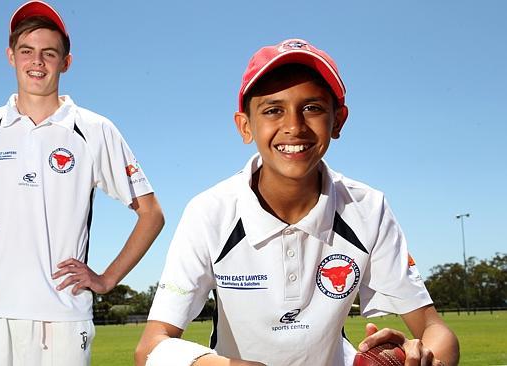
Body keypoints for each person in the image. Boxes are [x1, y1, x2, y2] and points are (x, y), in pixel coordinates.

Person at [135, 39, 459, 366]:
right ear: (245, 126)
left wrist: (423, 357)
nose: (294, 126)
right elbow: (150, 348)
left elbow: (435, 331)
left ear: (338, 120)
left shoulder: (368, 209)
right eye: (273, 110)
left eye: (313, 108)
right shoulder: (210, 212)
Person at [0, 1, 164, 365]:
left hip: (62, 313)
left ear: (66, 62)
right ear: (11, 57)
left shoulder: (94, 130)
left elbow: (151, 214)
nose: (37, 62)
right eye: (27, 51)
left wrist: (106, 280)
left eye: (49, 53)